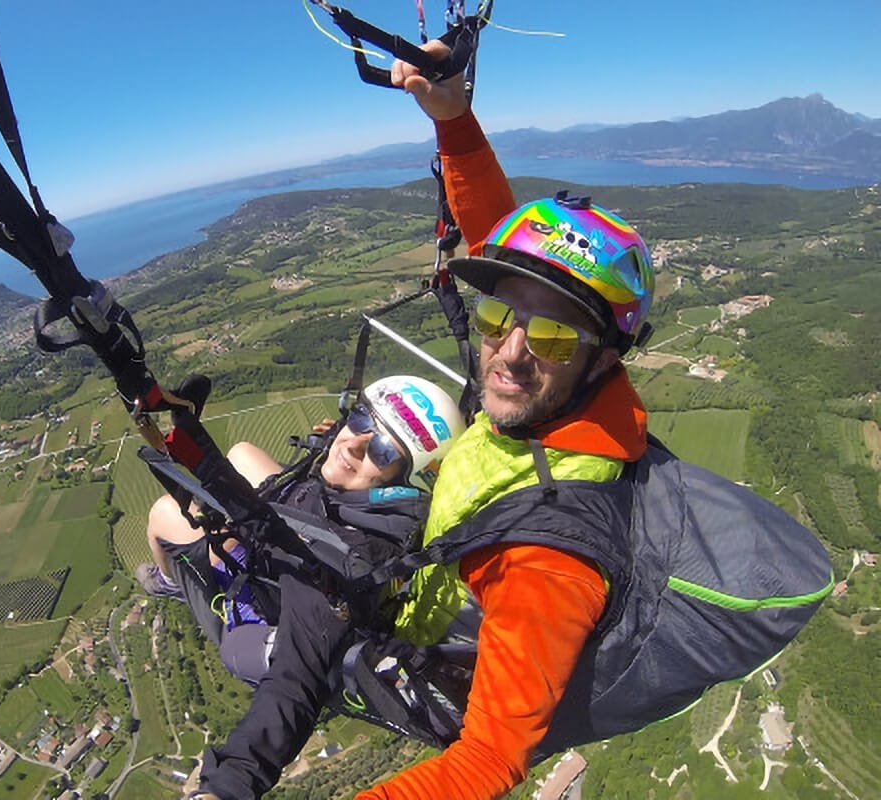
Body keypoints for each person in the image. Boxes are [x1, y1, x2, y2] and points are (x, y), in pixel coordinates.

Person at [190, 39, 660, 799]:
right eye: (497, 314)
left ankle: (202, 584)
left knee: (177, 523)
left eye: (549, 337)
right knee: (244, 460)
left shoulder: (553, 555)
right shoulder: (564, 405)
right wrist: (456, 122)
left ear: (606, 358)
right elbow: (497, 236)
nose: (508, 353)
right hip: (413, 552)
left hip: (387, 623)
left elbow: (486, 764)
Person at [135, 375, 467, 681]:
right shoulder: (389, 516)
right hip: (299, 533)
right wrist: (328, 454)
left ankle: (170, 583)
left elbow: (293, 551)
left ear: (402, 485)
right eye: (360, 419)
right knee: (242, 453)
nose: (353, 445)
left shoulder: (364, 550)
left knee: (164, 513)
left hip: (266, 601)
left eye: (381, 451)